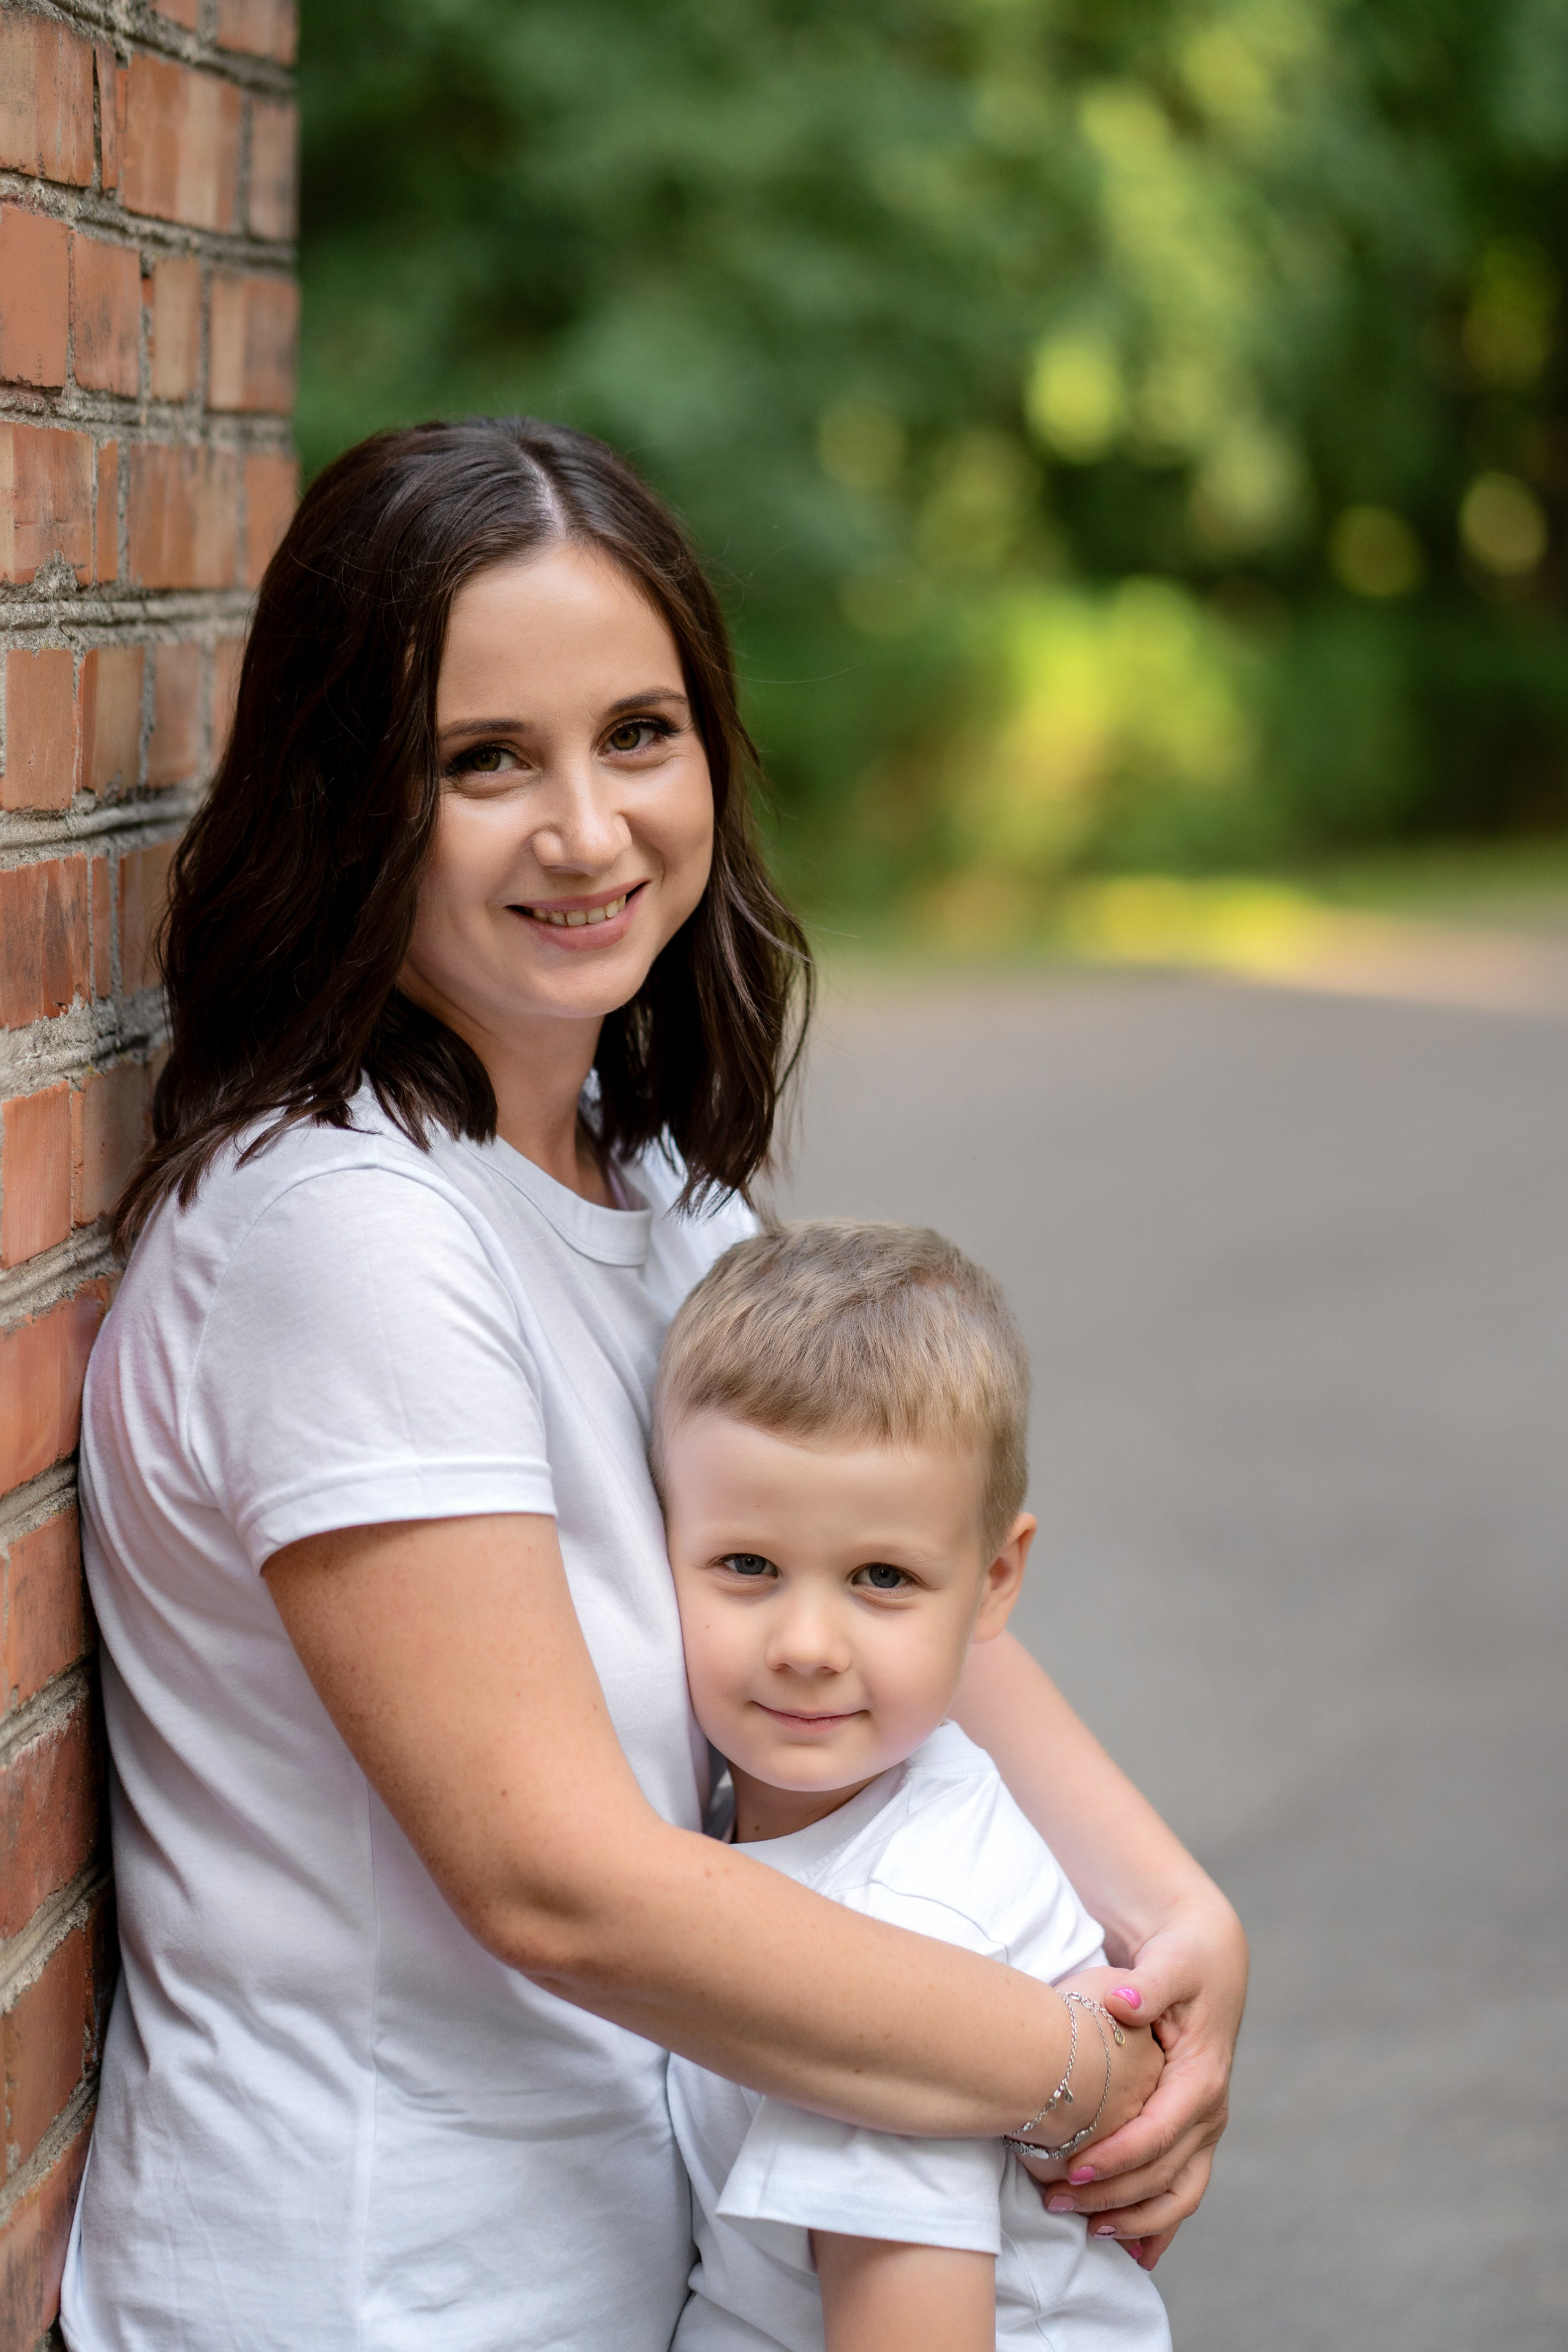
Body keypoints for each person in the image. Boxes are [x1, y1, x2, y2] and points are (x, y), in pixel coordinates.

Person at [62, 418, 1246, 2352]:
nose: (591, 833)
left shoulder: (655, 1178)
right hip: (380, 2293)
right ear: (348, 799)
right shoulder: (341, 1230)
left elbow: (882, 1570)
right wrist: (1070, 2077)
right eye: (482, 762)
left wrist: (1181, 1924)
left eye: (638, 733)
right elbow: (559, 1884)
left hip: (639, 2272)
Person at [656, 1219, 1175, 2352]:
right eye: (747, 1564)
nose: (806, 1643)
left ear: (995, 1583)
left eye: (881, 1577)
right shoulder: (756, 1820)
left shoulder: (904, 1934)